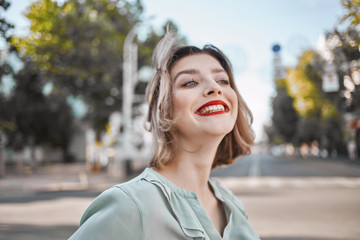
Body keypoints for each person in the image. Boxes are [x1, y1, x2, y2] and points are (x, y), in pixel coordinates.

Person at [68, 30, 260, 240]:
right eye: (190, 82)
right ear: (164, 109)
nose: (214, 87)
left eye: (223, 80)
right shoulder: (131, 205)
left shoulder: (232, 205)